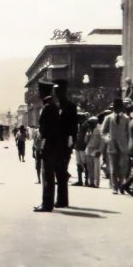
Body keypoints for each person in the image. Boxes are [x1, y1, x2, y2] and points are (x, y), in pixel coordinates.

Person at [34, 81, 59, 212]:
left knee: (47, 174)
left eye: (39, 91)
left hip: (48, 145)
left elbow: (44, 130)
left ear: (43, 92)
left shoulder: (48, 107)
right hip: (52, 145)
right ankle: (47, 202)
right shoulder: (53, 106)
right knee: (49, 174)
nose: (38, 93)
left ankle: (46, 204)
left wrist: (41, 146)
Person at [53, 79, 77, 208]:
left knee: (61, 171)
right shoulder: (56, 107)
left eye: (59, 91)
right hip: (56, 144)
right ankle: (62, 199)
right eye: (56, 91)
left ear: (64, 91)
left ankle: (62, 200)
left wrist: (70, 144)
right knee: (59, 172)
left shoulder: (71, 107)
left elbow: (73, 127)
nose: (57, 93)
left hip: (64, 144)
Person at [102, 99, 130, 194]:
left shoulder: (126, 119)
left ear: (121, 108)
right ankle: (114, 187)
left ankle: (121, 184)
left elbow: (129, 133)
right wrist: (108, 139)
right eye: (114, 107)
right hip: (112, 146)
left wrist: (129, 145)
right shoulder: (108, 118)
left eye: (118, 107)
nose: (116, 109)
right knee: (113, 168)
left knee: (122, 167)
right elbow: (103, 132)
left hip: (124, 146)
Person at [84, 116, 103, 188]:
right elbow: (85, 141)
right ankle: (90, 182)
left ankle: (96, 183)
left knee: (96, 168)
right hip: (88, 149)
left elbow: (102, 141)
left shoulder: (99, 129)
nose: (90, 124)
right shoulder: (89, 130)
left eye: (91, 123)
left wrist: (100, 150)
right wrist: (87, 135)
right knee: (90, 167)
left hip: (96, 149)